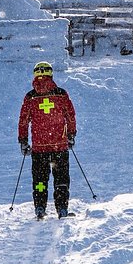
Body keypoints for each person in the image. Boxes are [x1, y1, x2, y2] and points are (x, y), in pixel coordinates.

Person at [18, 61, 78, 220]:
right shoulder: (61, 94)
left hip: (39, 148)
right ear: (51, 74)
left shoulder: (30, 97)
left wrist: (23, 141)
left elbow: (23, 120)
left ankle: (39, 207)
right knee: (61, 179)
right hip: (60, 146)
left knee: (39, 179)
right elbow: (70, 116)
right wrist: (71, 135)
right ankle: (62, 209)